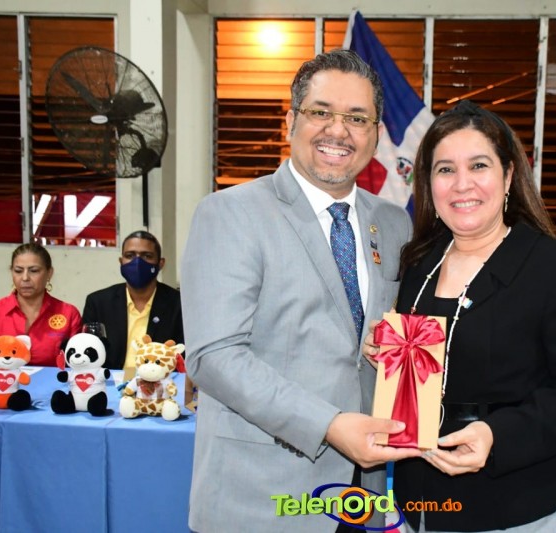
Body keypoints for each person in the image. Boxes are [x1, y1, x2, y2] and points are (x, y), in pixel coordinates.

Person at [180, 49, 420, 533]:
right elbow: (213, 356)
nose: (339, 131)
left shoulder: (395, 223)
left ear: (376, 134)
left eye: (357, 118)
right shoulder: (230, 213)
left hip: (365, 494)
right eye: (321, 112)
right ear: (291, 121)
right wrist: (329, 424)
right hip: (261, 497)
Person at [365, 100, 556, 532]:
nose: (461, 184)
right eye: (445, 169)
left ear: (509, 176)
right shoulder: (419, 264)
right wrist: (386, 353)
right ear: (428, 182)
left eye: (478, 166)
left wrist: (497, 435)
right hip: (420, 504)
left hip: (519, 508)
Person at [82, 230, 184, 372]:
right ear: (121, 261)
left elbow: (185, 356)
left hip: (160, 381)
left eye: (147, 256)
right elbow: (87, 353)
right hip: (111, 381)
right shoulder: (98, 302)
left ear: (160, 263)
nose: (137, 262)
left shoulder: (179, 304)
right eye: (130, 256)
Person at [0, 242, 81, 366]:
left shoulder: (68, 313)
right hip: (2, 378)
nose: (25, 278)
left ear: (49, 273)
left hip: (52, 379)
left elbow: (81, 362)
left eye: (34, 271)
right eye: (18, 271)